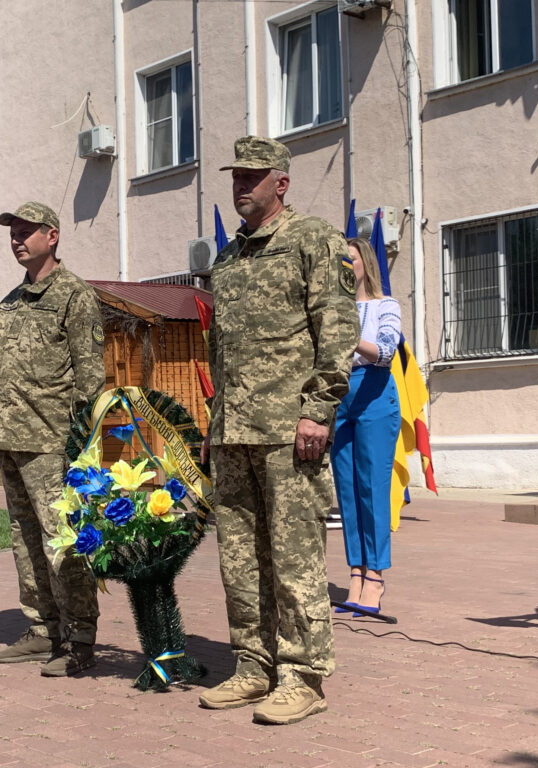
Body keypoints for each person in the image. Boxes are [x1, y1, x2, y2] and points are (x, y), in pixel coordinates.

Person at [198, 136, 359, 725]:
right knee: (238, 558)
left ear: (280, 184)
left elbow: (337, 329)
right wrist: (215, 425)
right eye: (235, 176)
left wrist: (318, 410)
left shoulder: (315, 240)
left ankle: (302, 675)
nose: (241, 185)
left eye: (252, 177)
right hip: (235, 430)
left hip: (290, 430)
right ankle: (252, 664)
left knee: (294, 558)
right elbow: (221, 352)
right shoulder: (228, 258)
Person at [0, 201, 106, 677]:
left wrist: (78, 442)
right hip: (13, 438)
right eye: (13, 231)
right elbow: (4, 374)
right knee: (24, 539)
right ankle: (42, 628)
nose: (17, 238)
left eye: (27, 230)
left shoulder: (75, 296)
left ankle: (80, 638)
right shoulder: (10, 303)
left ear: (52, 236)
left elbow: (90, 378)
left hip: (53, 441)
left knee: (63, 541)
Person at [330, 238, 402, 617]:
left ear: (364, 264)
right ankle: (355, 572)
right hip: (339, 394)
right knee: (346, 490)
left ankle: (375, 574)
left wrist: (348, 337)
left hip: (374, 393)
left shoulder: (384, 305)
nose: (344, 265)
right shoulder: (330, 309)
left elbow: (386, 350)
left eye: (350, 259)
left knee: (372, 486)